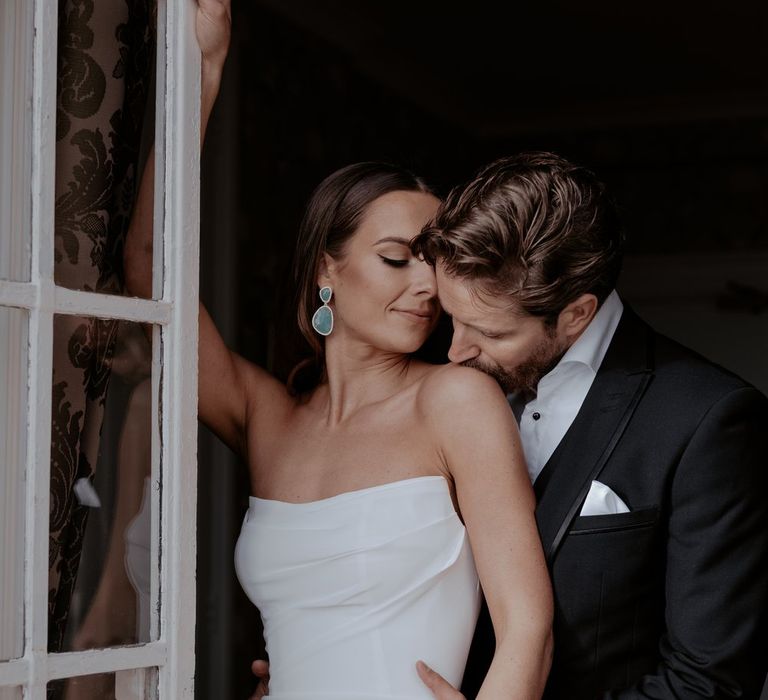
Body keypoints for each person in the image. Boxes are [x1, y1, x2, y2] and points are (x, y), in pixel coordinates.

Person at [124, 2, 554, 699]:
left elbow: (528, 626)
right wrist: (201, 70)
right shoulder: (271, 419)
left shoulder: (455, 400)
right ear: (328, 269)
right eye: (397, 258)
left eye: (435, 262)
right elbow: (147, 271)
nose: (426, 284)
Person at [404, 152, 768, 699]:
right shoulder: (430, 392)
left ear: (577, 313)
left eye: (491, 333)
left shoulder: (707, 419)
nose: (456, 350)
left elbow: (708, 682)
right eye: (453, 317)